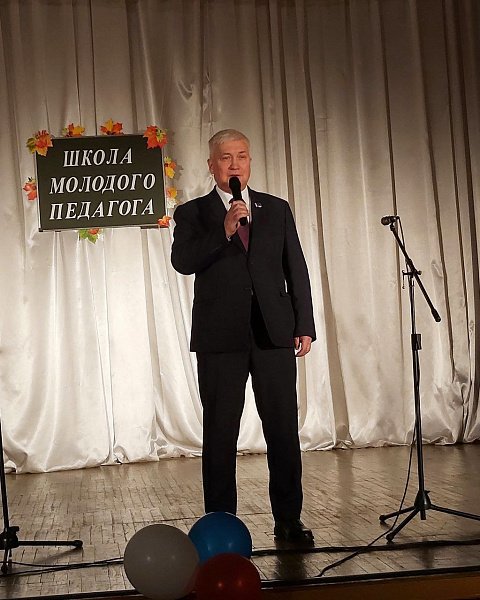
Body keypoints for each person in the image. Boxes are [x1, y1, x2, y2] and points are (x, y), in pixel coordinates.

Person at [171, 129, 316, 543]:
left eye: (242, 156)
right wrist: (224, 230)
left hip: (273, 333)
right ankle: (221, 524)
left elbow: (295, 268)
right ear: (211, 165)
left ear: (249, 161)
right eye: (226, 158)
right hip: (220, 338)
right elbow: (183, 261)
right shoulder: (193, 213)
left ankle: (288, 520)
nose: (235, 165)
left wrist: (303, 324)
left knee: (283, 429)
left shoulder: (276, 208)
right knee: (220, 432)